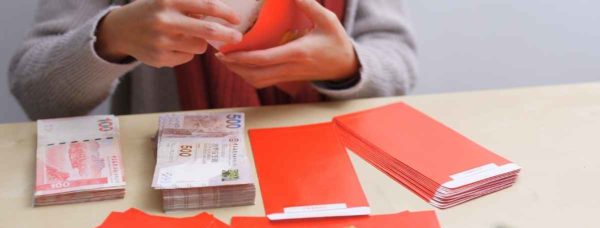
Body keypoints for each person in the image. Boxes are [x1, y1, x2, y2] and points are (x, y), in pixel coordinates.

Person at [9, 0, 417, 120]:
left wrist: (346, 66)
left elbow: (398, 63)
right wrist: (113, 36)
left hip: (326, 182)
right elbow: (36, 91)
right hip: (170, 195)